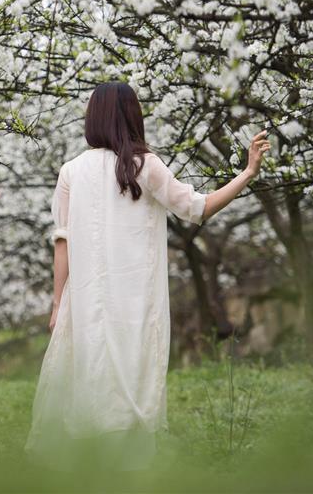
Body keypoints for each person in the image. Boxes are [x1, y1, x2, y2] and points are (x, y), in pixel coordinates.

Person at [25, 82, 270, 472]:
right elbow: (198, 208)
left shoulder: (72, 170)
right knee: (133, 386)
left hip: (86, 301)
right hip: (137, 305)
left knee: (90, 384)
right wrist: (248, 173)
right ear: (131, 116)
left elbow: (63, 243)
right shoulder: (144, 164)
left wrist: (58, 303)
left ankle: (93, 470)